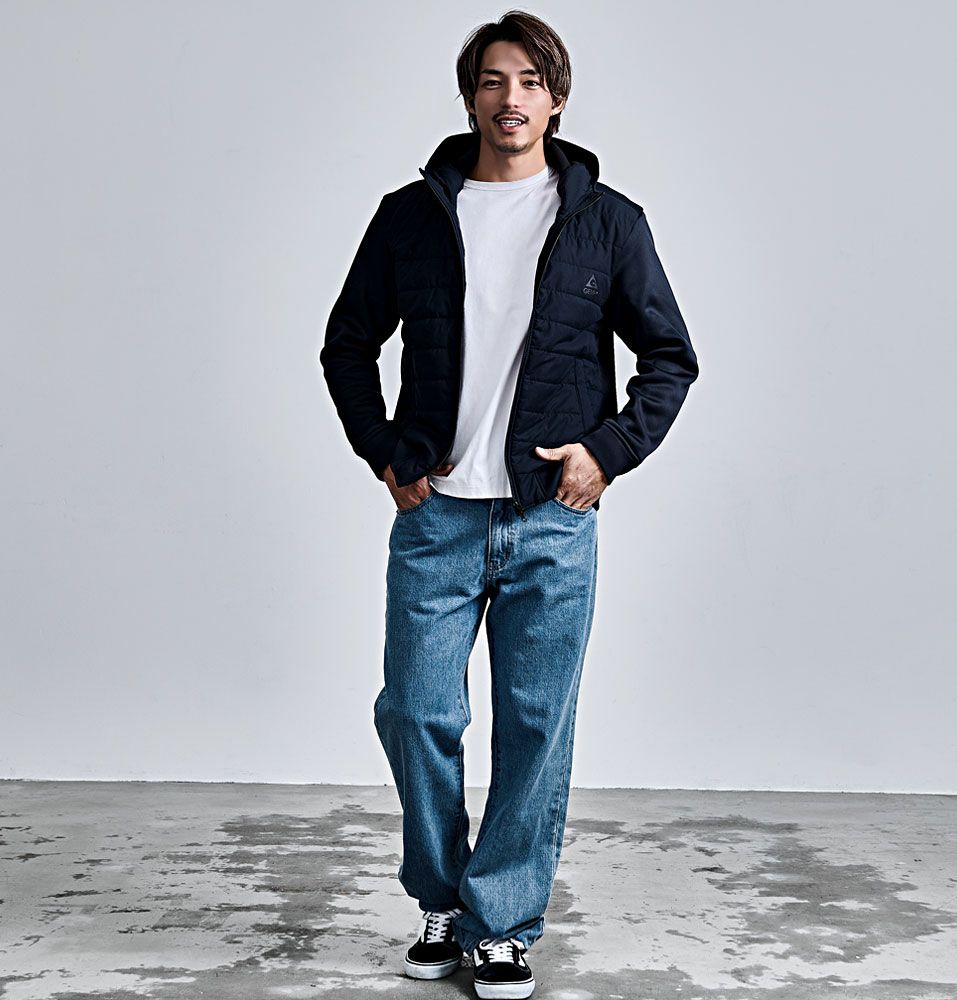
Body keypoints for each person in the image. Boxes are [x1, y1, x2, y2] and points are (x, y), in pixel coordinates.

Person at [319, 11, 699, 998]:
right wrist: (383, 452)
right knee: (416, 711)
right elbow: (347, 342)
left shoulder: (607, 221)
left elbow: (669, 356)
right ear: (470, 96)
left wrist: (606, 453)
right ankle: (442, 898)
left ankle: (503, 923)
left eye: (530, 80)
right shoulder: (411, 216)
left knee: (535, 726)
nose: (511, 97)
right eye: (493, 80)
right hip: (437, 515)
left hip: (549, 520)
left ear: (557, 98)